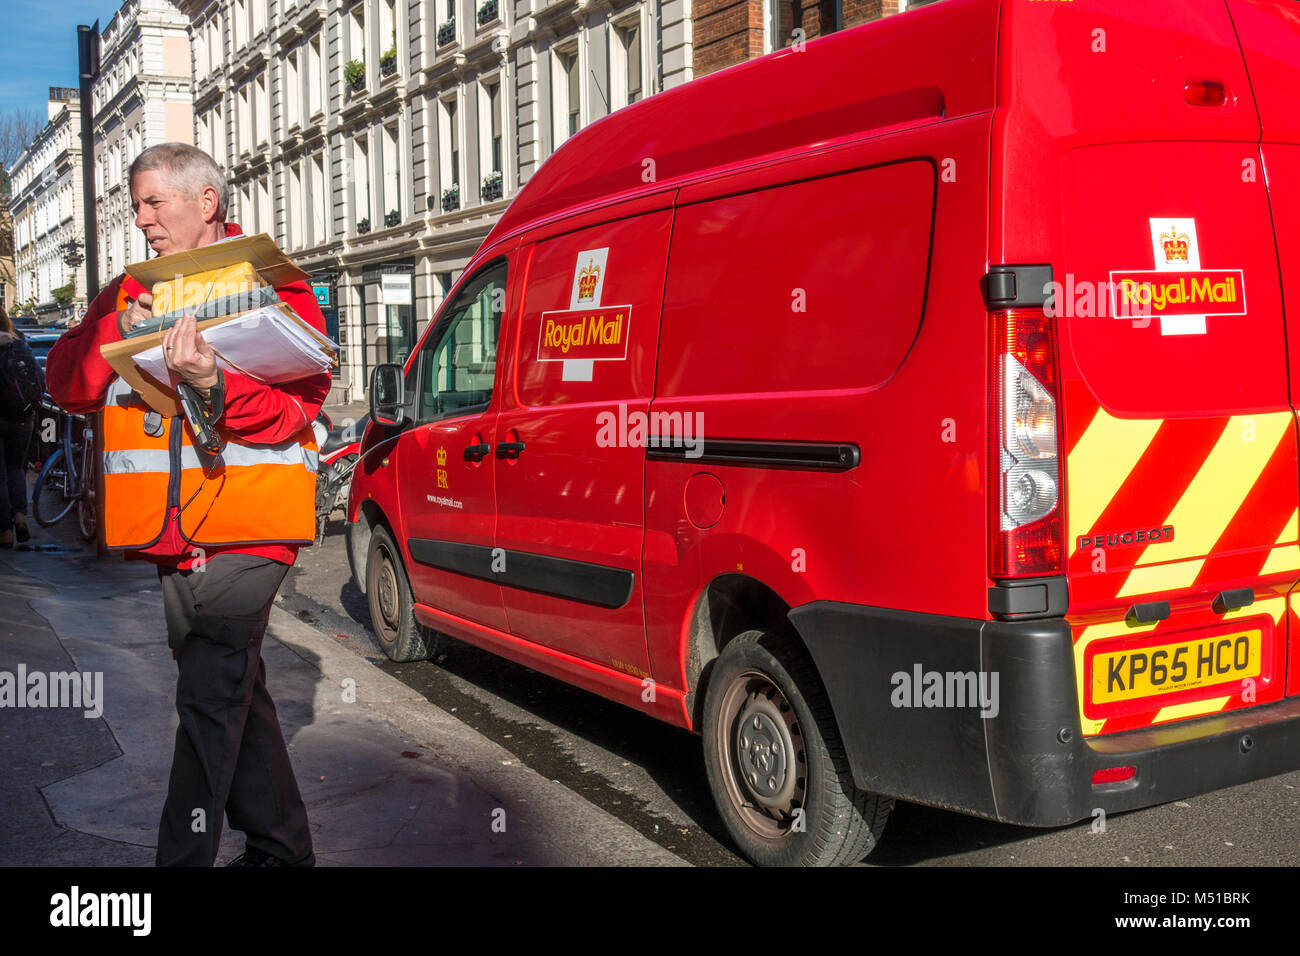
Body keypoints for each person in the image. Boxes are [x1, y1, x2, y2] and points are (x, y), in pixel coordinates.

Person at [46, 143, 330, 867]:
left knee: (208, 701)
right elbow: (66, 384)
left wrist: (213, 383)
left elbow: (299, 411)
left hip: (253, 528)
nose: (141, 219)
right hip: (174, 535)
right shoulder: (127, 291)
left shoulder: (275, 286)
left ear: (206, 202)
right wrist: (121, 326)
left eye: (153, 203)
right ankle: (282, 851)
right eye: (137, 205)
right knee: (235, 695)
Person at [0, 303, 43, 548]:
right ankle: (19, 515)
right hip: (21, 418)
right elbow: (39, 381)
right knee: (17, 468)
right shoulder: (19, 345)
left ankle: (4, 530)